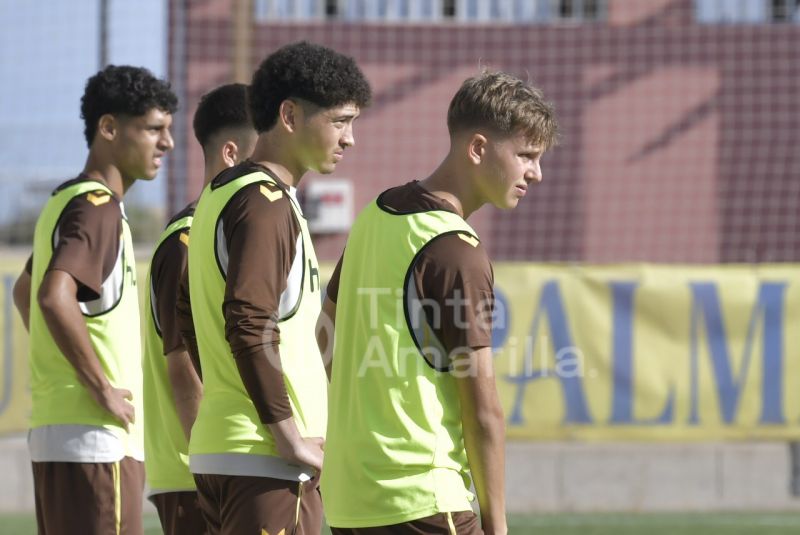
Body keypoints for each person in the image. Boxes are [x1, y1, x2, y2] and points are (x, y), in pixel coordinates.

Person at [318, 71, 559, 534]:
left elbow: (323, 340)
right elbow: (483, 408)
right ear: (478, 148)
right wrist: (497, 524)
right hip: (424, 501)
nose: (536, 172)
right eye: (526, 156)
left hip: (350, 501)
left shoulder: (374, 214)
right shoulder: (457, 250)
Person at [176, 41, 371, 535]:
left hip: (233, 450)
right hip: (264, 462)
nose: (350, 139)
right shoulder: (265, 203)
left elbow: (189, 320)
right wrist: (287, 437)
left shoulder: (223, 196)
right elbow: (247, 321)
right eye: (340, 121)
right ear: (289, 115)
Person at [12, 65, 177, 535]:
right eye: (152, 129)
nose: (165, 143)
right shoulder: (99, 207)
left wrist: (67, 367)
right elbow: (51, 296)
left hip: (60, 430)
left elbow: (25, 290)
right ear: (109, 128)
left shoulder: (66, 201)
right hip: (96, 438)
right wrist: (100, 387)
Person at [143, 83, 257, 535]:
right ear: (231, 153)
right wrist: (208, 471)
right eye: (262, 150)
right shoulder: (188, 241)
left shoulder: (220, 236)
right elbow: (182, 366)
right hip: (199, 475)